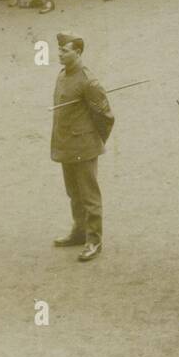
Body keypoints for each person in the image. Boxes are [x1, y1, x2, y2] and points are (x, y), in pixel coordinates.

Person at [50, 32, 114, 261]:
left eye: (64, 51)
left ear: (77, 52)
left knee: (89, 195)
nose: (59, 54)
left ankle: (94, 240)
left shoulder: (88, 81)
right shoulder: (62, 75)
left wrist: (92, 142)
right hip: (67, 145)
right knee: (73, 192)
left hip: (84, 147)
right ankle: (79, 232)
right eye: (59, 50)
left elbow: (105, 116)